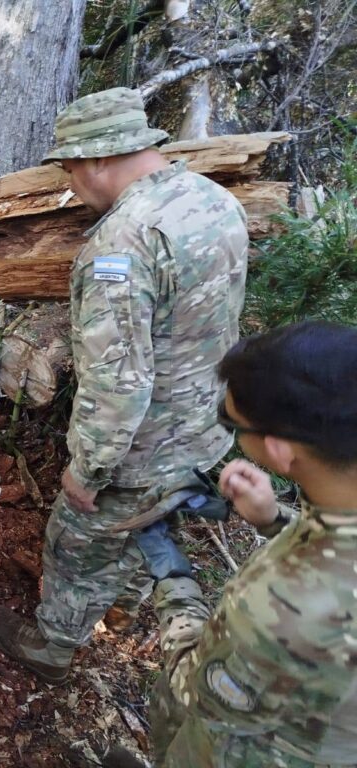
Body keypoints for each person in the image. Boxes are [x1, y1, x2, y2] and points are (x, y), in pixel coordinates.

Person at [0, 87, 249, 682]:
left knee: (75, 542)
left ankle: (51, 647)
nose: (72, 183)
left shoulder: (122, 242)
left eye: (72, 168)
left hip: (140, 451)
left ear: (100, 158)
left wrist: (89, 470)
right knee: (150, 528)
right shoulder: (211, 200)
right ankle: (122, 610)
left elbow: (118, 381)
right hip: (203, 431)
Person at [131, 321, 357, 766]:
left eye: (230, 420)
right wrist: (275, 521)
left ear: (278, 451)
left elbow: (197, 690)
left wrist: (173, 579)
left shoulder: (289, 609)